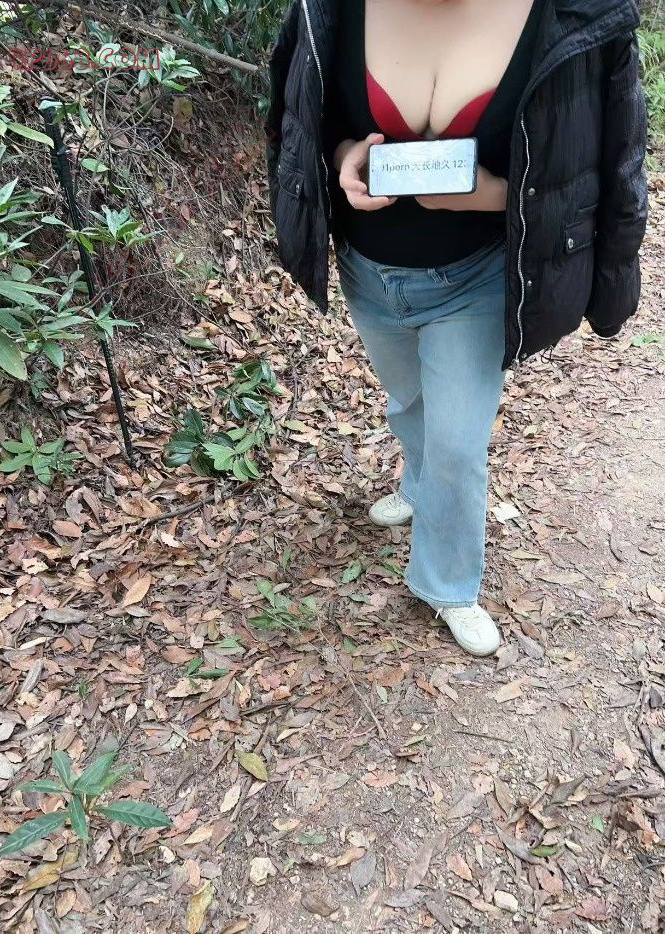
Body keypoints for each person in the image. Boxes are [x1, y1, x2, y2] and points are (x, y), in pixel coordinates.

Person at [265, 0, 648, 656]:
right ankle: (418, 485)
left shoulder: (580, 18)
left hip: (478, 277)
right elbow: (306, 117)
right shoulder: (328, 7)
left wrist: (492, 192)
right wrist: (346, 157)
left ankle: (447, 584)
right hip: (370, 273)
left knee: (457, 442)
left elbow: (607, 162)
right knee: (410, 400)